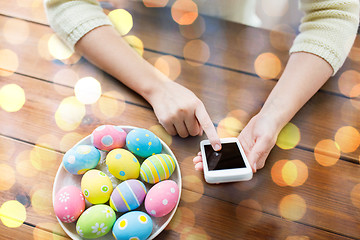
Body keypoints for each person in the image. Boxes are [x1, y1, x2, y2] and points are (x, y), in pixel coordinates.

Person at [44, 0, 359, 172]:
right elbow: (64, 3)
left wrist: (272, 116)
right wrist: (155, 86)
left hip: (236, 54)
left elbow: (335, 13)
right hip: (125, 47)